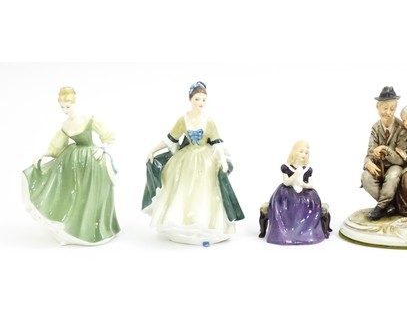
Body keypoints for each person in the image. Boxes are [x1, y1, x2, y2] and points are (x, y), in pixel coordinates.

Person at [142, 82, 244, 244]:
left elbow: (217, 143)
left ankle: (206, 222)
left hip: (206, 159)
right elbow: (170, 138)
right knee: (182, 187)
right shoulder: (183, 120)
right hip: (187, 158)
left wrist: (223, 161)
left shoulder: (209, 121)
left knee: (206, 190)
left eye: (203, 99)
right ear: (190, 99)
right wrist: (153, 150)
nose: (200, 103)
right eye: (197, 99)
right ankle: (181, 220)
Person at [23, 87, 120, 245]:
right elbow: (57, 147)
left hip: (92, 159)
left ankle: (95, 228)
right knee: (76, 194)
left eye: (67, 106)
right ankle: (75, 227)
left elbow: (108, 135)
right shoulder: (65, 125)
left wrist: (103, 149)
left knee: (94, 194)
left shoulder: (88, 119)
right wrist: (44, 153)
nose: (65, 110)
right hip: (73, 161)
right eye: (62, 107)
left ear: (74, 103)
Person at [262, 141, 330, 245]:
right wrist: (296, 174)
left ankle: (305, 233)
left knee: (311, 205)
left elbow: (310, 184)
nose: (304, 154)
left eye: (306, 153)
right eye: (301, 151)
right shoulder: (286, 167)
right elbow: (286, 182)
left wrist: (303, 184)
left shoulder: (308, 169)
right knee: (283, 206)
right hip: (287, 193)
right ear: (294, 152)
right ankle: (285, 234)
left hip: (305, 193)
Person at [361, 86, 407, 220]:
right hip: (380, 166)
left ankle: (380, 207)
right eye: (385, 108)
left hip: (395, 166)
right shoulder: (375, 128)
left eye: (392, 109)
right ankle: (389, 206)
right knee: (365, 176)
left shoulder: (401, 128)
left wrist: (385, 149)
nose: (388, 112)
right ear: (377, 107)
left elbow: (401, 159)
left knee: (393, 175)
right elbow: (370, 152)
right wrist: (368, 163)